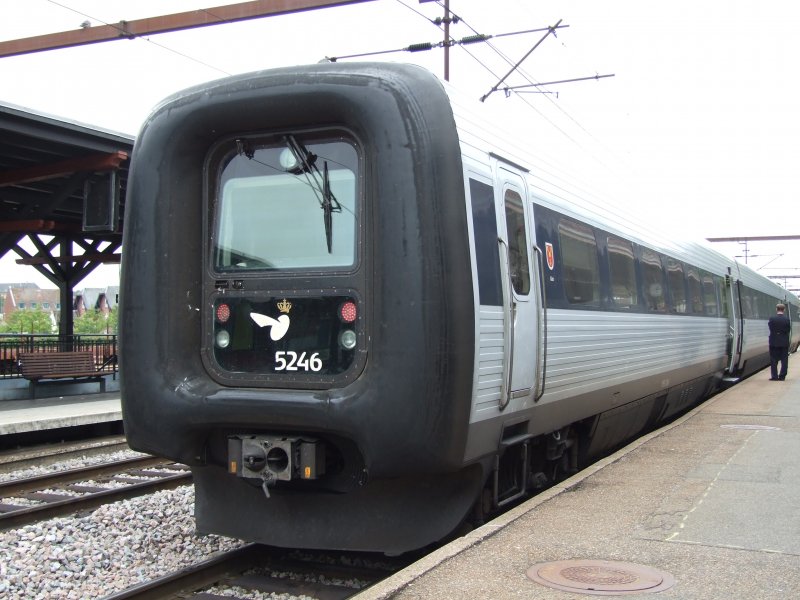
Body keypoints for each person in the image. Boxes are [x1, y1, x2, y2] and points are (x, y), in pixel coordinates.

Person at [768, 303, 791, 380]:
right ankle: (782, 376)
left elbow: (770, 328)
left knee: (773, 360)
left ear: (776, 309)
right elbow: (788, 330)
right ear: (784, 310)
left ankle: (774, 376)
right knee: (784, 360)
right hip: (784, 342)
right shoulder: (787, 319)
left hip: (774, 342)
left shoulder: (772, 319)